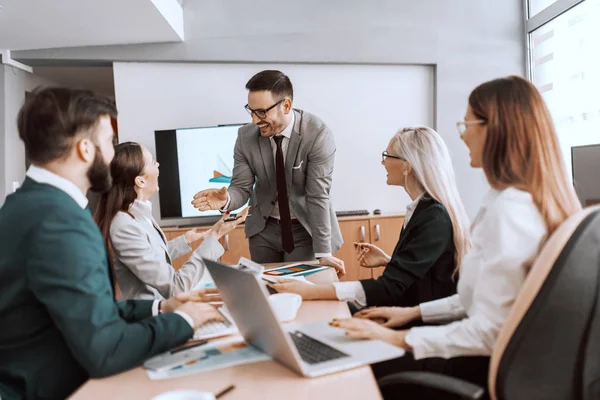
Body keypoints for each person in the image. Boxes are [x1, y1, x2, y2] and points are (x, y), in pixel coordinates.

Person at [330, 76, 582, 398]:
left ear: (494, 129)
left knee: (348, 367)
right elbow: (480, 301)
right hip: (498, 361)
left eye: (467, 124)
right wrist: (413, 313)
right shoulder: (529, 200)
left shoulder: (510, 212)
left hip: (480, 367)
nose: (462, 136)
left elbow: (490, 331)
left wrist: (397, 339)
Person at [0, 88, 225, 400]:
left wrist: (161, 308)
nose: (113, 155)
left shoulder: (21, 206)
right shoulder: (61, 223)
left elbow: (90, 311)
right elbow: (105, 350)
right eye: (109, 142)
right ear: (84, 150)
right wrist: (186, 320)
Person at [270, 127, 471, 313]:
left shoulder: (434, 217)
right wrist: (388, 261)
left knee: (322, 312)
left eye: (387, 156)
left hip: (413, 322)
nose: (383, 162)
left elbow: (390, 287)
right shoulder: (423, 210)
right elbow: (423, 272)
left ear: (406, 166)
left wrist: (310, 291)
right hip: (402, 308)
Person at [191, 70, 345, 275]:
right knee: (264, 287)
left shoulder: (317, 134)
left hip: (304, 228)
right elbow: (241, 187)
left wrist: (323, 253)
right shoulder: (246, 137)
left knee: (298, 289)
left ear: (286, 106)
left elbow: (317, 195)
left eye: (262, 112)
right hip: (263, 229)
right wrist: (226, 200)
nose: (255, 120)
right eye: (251, 111)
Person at [94, 142, 249, 300]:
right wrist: (214, 237)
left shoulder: (137, 214)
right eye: (153, 162)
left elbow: (151, 256)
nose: (158, 165)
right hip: (153, 315)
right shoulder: (124, 225)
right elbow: (176, 287)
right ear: (140, 181)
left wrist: (184, 241)